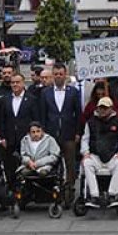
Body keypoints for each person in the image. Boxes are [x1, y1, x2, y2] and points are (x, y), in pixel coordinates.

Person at [41, 63, 81, 205]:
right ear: (53, 75)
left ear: (65, 75)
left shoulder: (73, 92)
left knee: (70, 164)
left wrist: (78, 132)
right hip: (51, 134)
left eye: (60, 74)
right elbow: (43, 114)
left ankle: (69, 191)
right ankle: (53, 191)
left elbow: (78, 114)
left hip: (69, 134)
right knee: (52, 163)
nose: (58, 76)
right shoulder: (45, 92)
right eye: (56, 74)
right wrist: (44, 133)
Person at [79, 97, 118, 207]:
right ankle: (94, 195)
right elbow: (85, 139)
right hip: (95, 156)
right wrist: (85, 152)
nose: (103, 110)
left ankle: (113, 194)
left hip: (113, 156)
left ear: (111, 108)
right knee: (86, 163)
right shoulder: (90, 122)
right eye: (101, 108)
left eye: (105, 108)